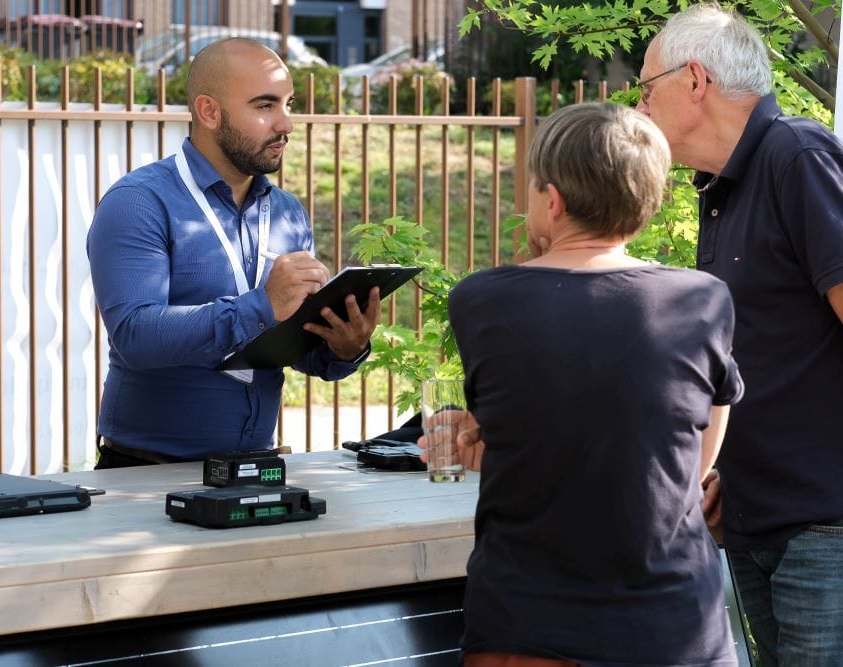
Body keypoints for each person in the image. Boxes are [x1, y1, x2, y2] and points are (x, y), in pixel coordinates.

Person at [432, 102, 744, 666]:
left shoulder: (479, 300)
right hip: (672, 621)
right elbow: (703, 433)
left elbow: (516, 424)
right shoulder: (703, 299)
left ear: (552, 201)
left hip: (526, 622)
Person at [636, 5, 843, 663]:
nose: (638, 108)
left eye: (645, 89)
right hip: (754, 519)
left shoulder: (797, 155)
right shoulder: (721, 186)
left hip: (824, 528)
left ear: (695, 80)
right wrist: (723, 463)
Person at [86, 38, 380, 467]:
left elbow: (294, 346)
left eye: (288, 103)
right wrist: (261, 305)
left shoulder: (286, 213)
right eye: (265, 106)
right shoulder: (138, 202)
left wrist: (343, 346)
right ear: (209, 112)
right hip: (147, 473)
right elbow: (136, 335)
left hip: (254, 468)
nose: (287, 124)